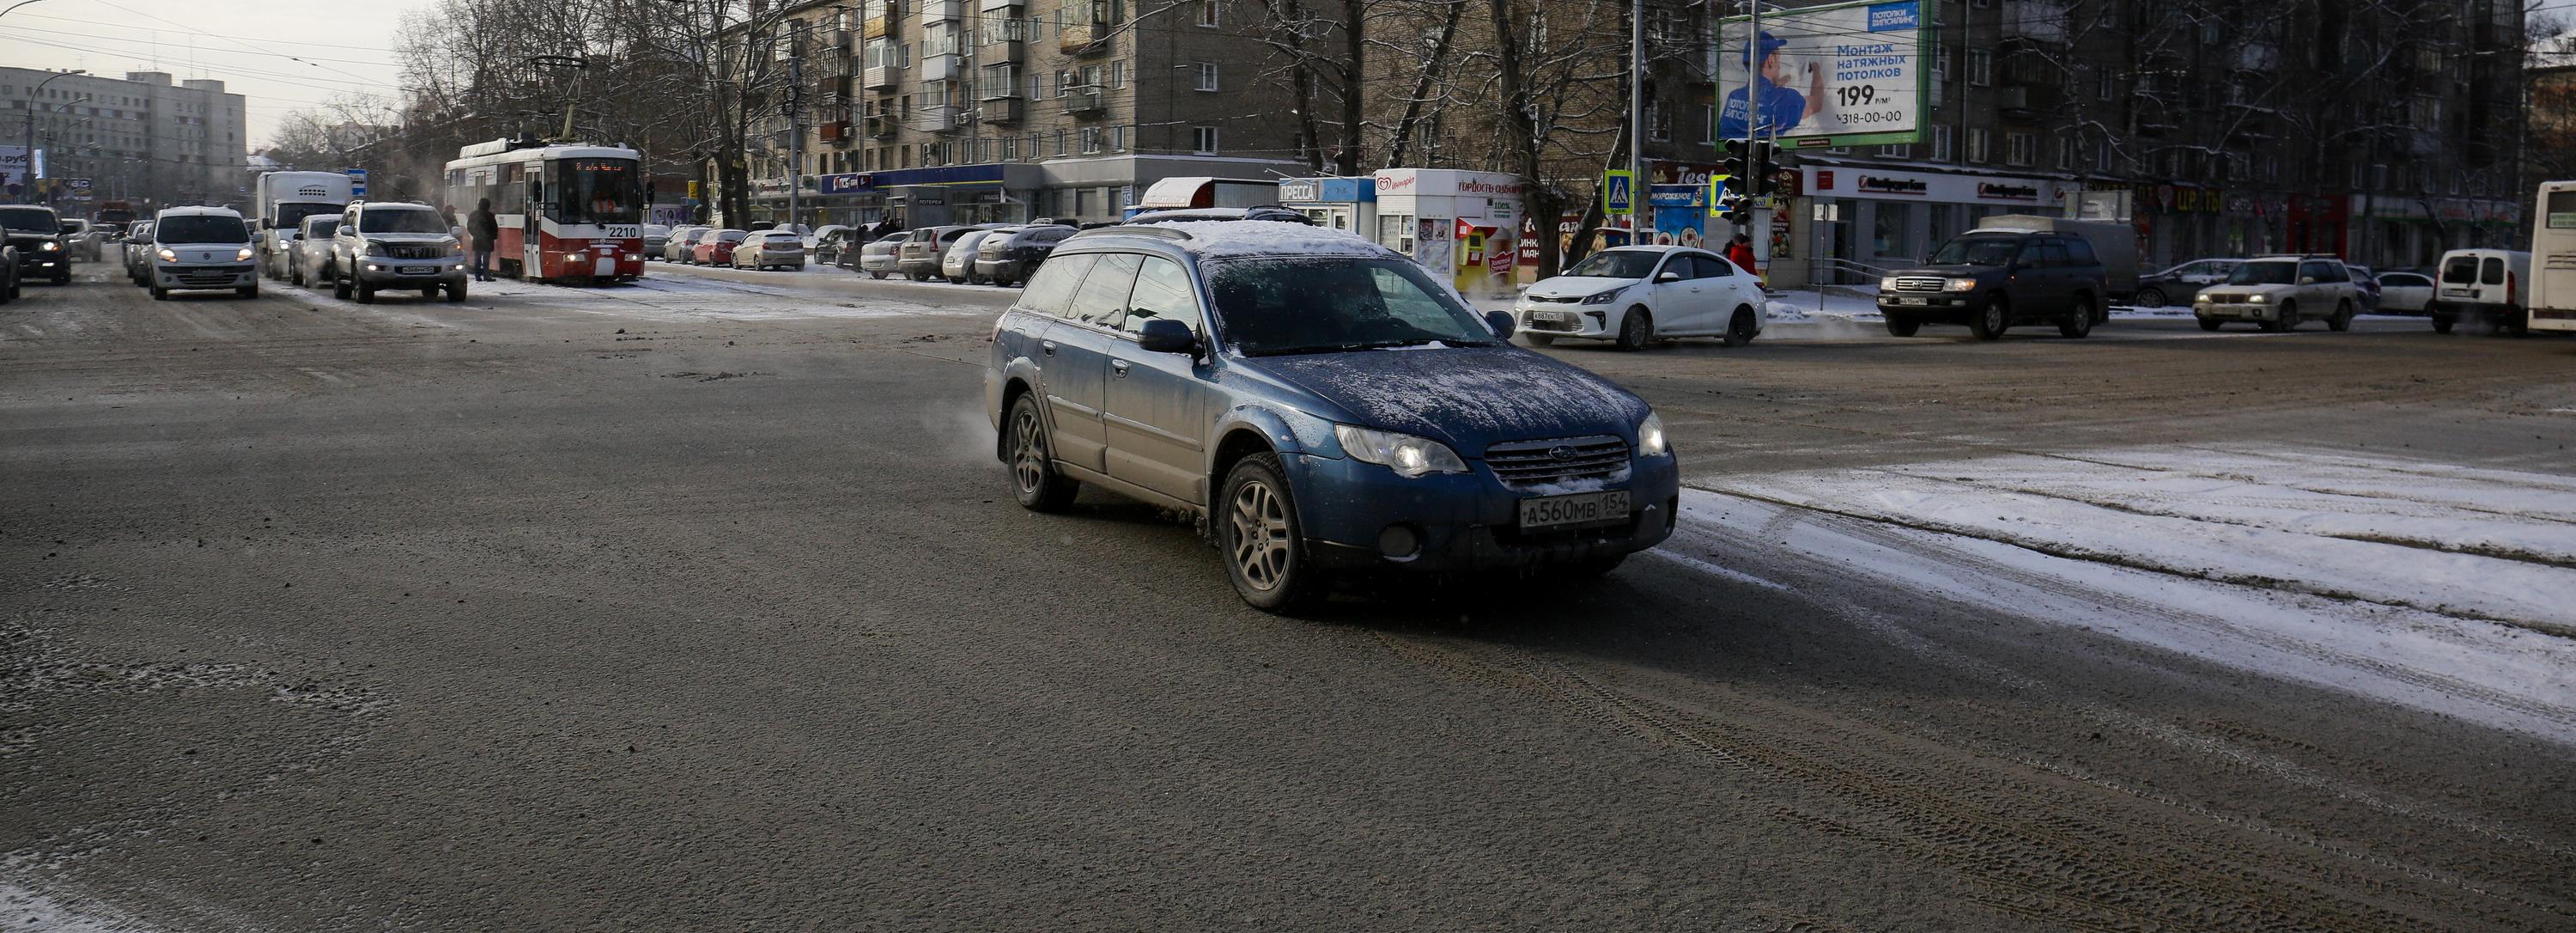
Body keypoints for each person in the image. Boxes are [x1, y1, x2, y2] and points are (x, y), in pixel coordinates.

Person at [1717, 30, 1826, 140]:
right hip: (1764, 155)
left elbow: (1761, 94)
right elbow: (1816, 103)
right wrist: (1816, 66)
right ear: (1771, 59)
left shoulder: (1734, 97)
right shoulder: (1785, 99)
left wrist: (1780, 81)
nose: (1779, 65)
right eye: (1779, 56)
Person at [468, 198, 500, 282]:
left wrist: (475, 234)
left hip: (477, 241)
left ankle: (477, 276)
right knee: (486, 261)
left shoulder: (473, 214)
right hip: (487, 241)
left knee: (477, 260)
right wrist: (492, 237)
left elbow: (470, 227)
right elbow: (494, 228)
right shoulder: (490, 215)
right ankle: (486, 276)